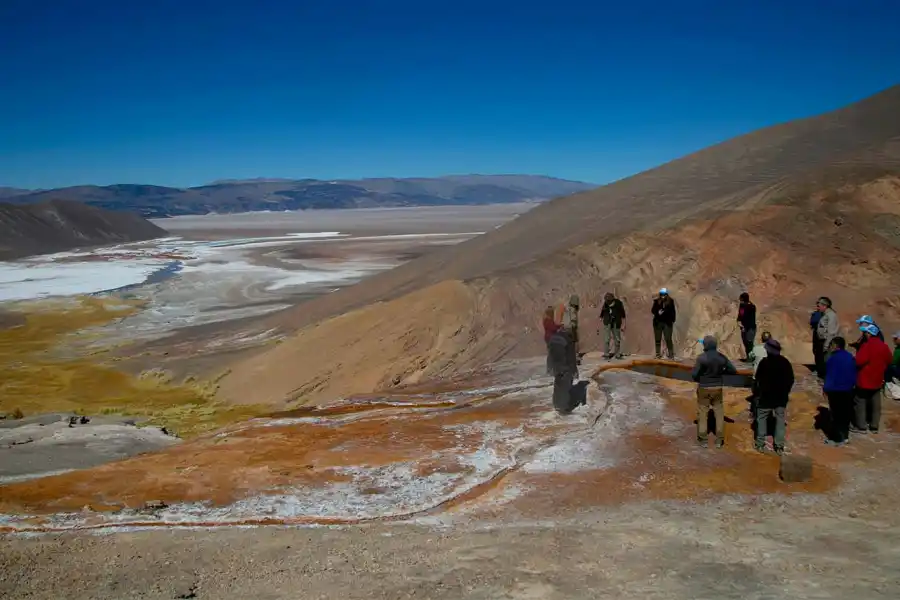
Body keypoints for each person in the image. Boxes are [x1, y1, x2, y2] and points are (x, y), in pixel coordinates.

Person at [691, 335, 738, 448]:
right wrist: (722, 372)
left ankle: (703, 439)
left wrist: (700, 379)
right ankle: (719, 440)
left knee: (703, 413)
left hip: (704, 387)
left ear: (706, 345)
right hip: (717, 387)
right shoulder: (722, 357)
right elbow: (733, 370)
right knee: (719, 413)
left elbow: (694, 375)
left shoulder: (701, 358)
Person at [753, 338, 795, 455]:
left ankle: (760, 444)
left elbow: (758, 379)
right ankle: (779, 446)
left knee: (761, 419)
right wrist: (786, 391)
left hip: (766, 396)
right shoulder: (785, 362)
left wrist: (760, 391)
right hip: (781, 397)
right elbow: (791, 379)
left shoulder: (764, 363)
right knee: (780, 420)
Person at [853, 324, 893, 434]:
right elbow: (889, 360)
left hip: (865, 379)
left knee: (860, 401)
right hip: (878, 378)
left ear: (869, 333)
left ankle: (861, 426)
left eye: (866, 332)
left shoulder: (867, 346)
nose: (865, 334)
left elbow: (859, 361)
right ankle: (874, 426)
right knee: (876, 402)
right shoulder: (884, 346)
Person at [822, 337, 856, 446]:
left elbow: (830, 375)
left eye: (831, 345)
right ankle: (845, 436)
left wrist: (826, 389)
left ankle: (837, 439)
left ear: (836, 346)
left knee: (836, 415)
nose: (830, 347)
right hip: (848, 389)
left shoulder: (833, 359)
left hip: (836, 390)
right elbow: (854, 373)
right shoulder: (850, 357)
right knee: (845, 414)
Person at [547, 325, 583, 414]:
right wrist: (574, 370)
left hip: (557, 367)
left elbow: (550, 355)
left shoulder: (554, 337)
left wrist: (550, 367)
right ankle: (564, 407)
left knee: (558, 385)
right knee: (566, 387)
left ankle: (557, 406)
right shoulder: (568, 340)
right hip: (565, 368)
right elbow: (571, 357)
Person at [747, 330, 773, 423]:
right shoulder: (773, 349)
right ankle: (769, 416)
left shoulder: (756, 348)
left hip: (757, 376)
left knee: (756, 396)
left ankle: (754, 414)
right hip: (769, 377)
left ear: (761, 339)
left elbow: (750, 357)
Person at [814, 297, 839, 378]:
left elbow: (831, 332)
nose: (818, 308)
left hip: (827, 342)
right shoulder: (826, 315)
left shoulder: (831, 315)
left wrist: (826, 345)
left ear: (825, 306)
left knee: (826, 362)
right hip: (823, 341)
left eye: (819, 306)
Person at [651, 288, 677, 359]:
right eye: (661, 294)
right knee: (657, 339)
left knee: (668, 338)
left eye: (664, 294)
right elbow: (653, 310)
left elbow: (673, 312)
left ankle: (671, 355)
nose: (662, 296)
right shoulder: (656, 301)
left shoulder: (671, 301)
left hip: (667, 323)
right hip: (658, 323)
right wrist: (657, 312)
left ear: (666, 294)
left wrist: (672, 320)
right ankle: (657, 354)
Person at [600, 292, 626, 359]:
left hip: (616, 322)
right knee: (607, 338)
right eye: (606, 299)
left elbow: (623, 314)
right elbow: (602, 311)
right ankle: (606, 354)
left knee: (617, 338)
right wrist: (601, 317)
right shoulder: (606, 303)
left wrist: (623, 324)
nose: (607, 301)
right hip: (607, 322)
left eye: (608, 300)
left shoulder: (618, 303)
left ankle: (617, 354)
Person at [559, 294, 581, 364]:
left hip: (565, 328)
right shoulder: (572, 309)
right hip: (571, 328)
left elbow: (563, 320)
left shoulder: (566, 309)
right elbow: (573, 319)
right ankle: (575, 358)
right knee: (574, 343)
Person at [737, 292, 757, 361]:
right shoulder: (749, 306)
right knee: (747, 344)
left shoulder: (750, 306)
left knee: (749, 344)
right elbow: (740, 316)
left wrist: (743, 327)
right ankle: (749, 358)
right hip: (748, 328)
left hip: (749, 328)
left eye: (741, 299)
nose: (740, 301)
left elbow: (743, 317)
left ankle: (751, 359)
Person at [542, 306, 560, 375]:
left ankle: (551, 369)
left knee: (552, 354)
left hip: (550, 338)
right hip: (550, 338)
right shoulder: (547, 320)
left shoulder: (547, 320)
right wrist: (559, 327)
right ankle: (550, 369)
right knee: (552, 354)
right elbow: (553, 328)